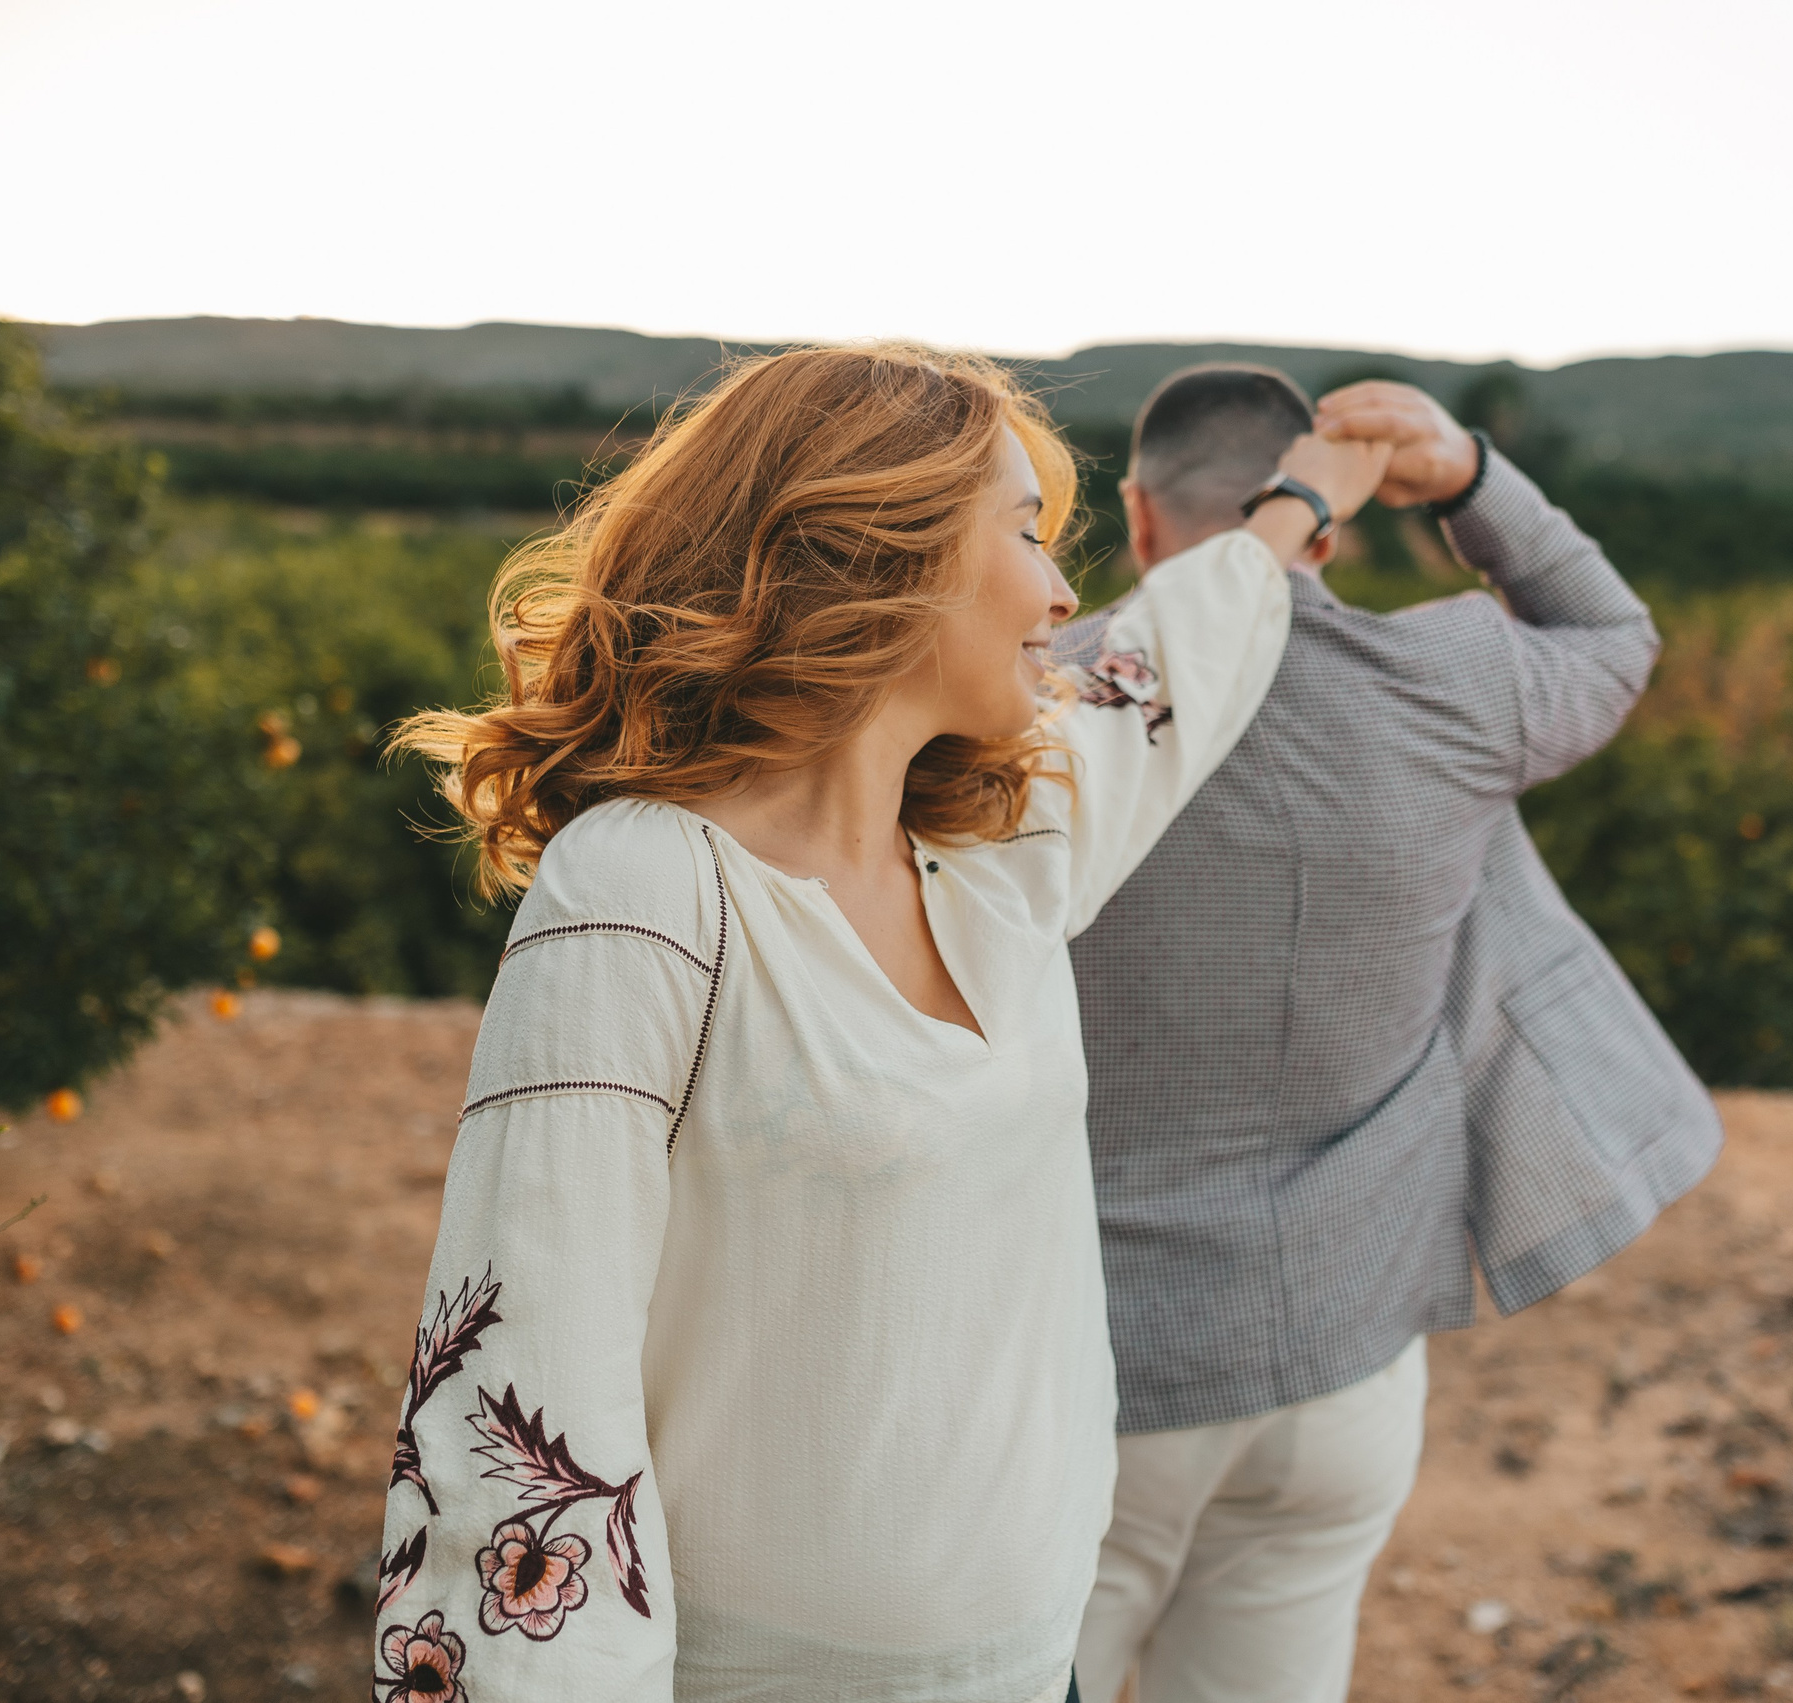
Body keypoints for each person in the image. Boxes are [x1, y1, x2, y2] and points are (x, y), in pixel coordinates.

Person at [373, 345, 1390, 1703]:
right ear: (884, 555)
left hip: (1040, 1674)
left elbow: (1170, 666)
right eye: (1026, 535)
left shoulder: (995, 860)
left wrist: (1300, 507)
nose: (1064, 591)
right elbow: (517, 1391)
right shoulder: (645, 888)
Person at [1060, 367, 1722, 1703]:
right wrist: (1471, 479)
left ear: (1138, 518)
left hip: (1082, 1378)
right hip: (1341, 1370)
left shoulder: (1047, 714)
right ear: (1327, 523)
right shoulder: (1455, 684)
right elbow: (1612, 629)